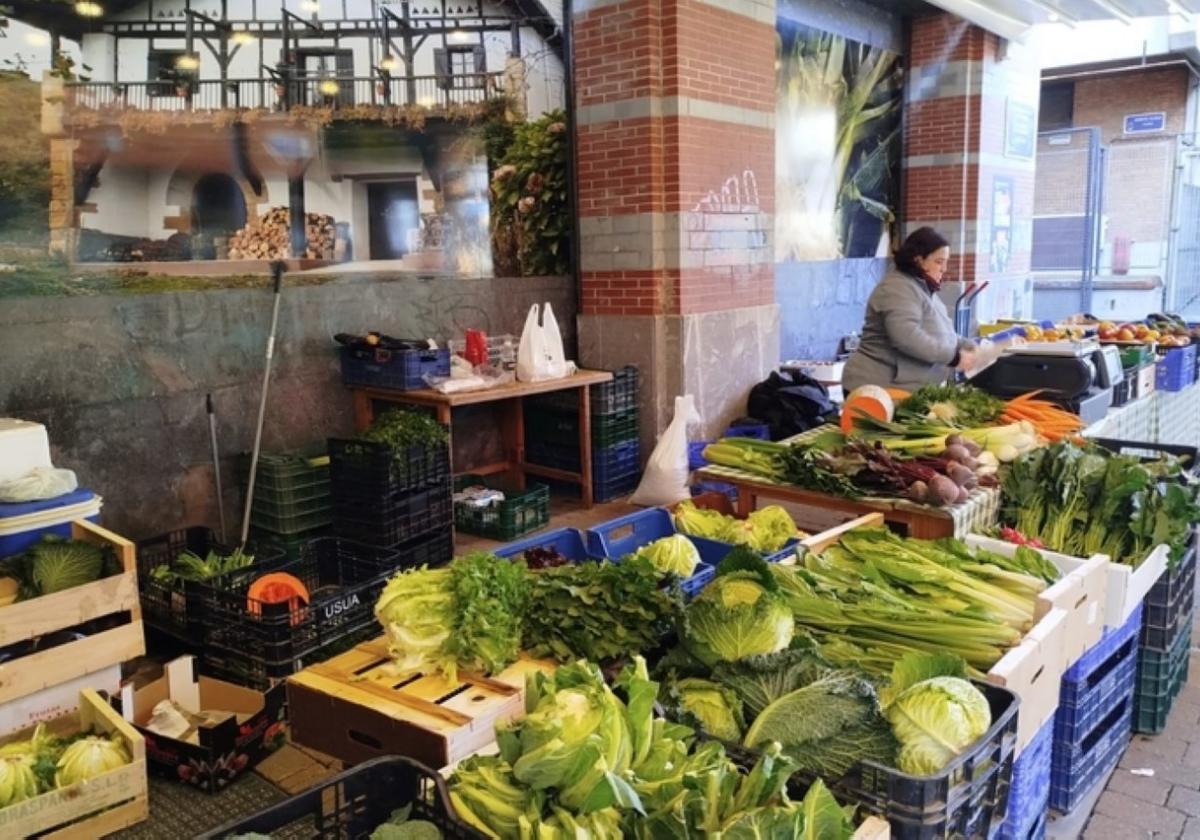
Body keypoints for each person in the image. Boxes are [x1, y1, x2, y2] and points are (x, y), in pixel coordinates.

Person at [842, 227, 978, 393]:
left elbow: (939, 332)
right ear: (918, 260)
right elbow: (907, 337)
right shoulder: (897, 287)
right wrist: (954, 357)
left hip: (906, 389)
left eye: (945, 262)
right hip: (879, 387)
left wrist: (968, 345)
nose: (944, 269)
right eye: (939, 262)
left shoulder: (922, 289)